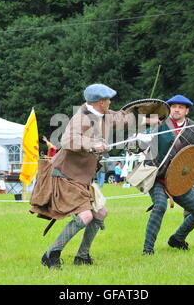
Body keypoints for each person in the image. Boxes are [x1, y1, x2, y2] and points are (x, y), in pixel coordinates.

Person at [30, 83, 138, 269]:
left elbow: (124, 118)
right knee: (86, 216)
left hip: (81, 179)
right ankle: (50, 255)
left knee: (100, 213)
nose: (110, 102)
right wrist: (92, 144)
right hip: (65, 177)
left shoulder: (104, 115)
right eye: (108, 100)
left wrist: (151, 119)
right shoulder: (80, 119)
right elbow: (67, 140)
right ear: (101, 102)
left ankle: (82, 256)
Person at [142, 94, 194, 255]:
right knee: (159, 206)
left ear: (186, 110)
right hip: (158, 178)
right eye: (173, 106)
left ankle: (177, 239)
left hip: (179, 180)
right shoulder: (160, 125)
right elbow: (141, 145)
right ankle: (147, 249)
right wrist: (147, 134)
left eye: (180, 107)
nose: (176, 109)